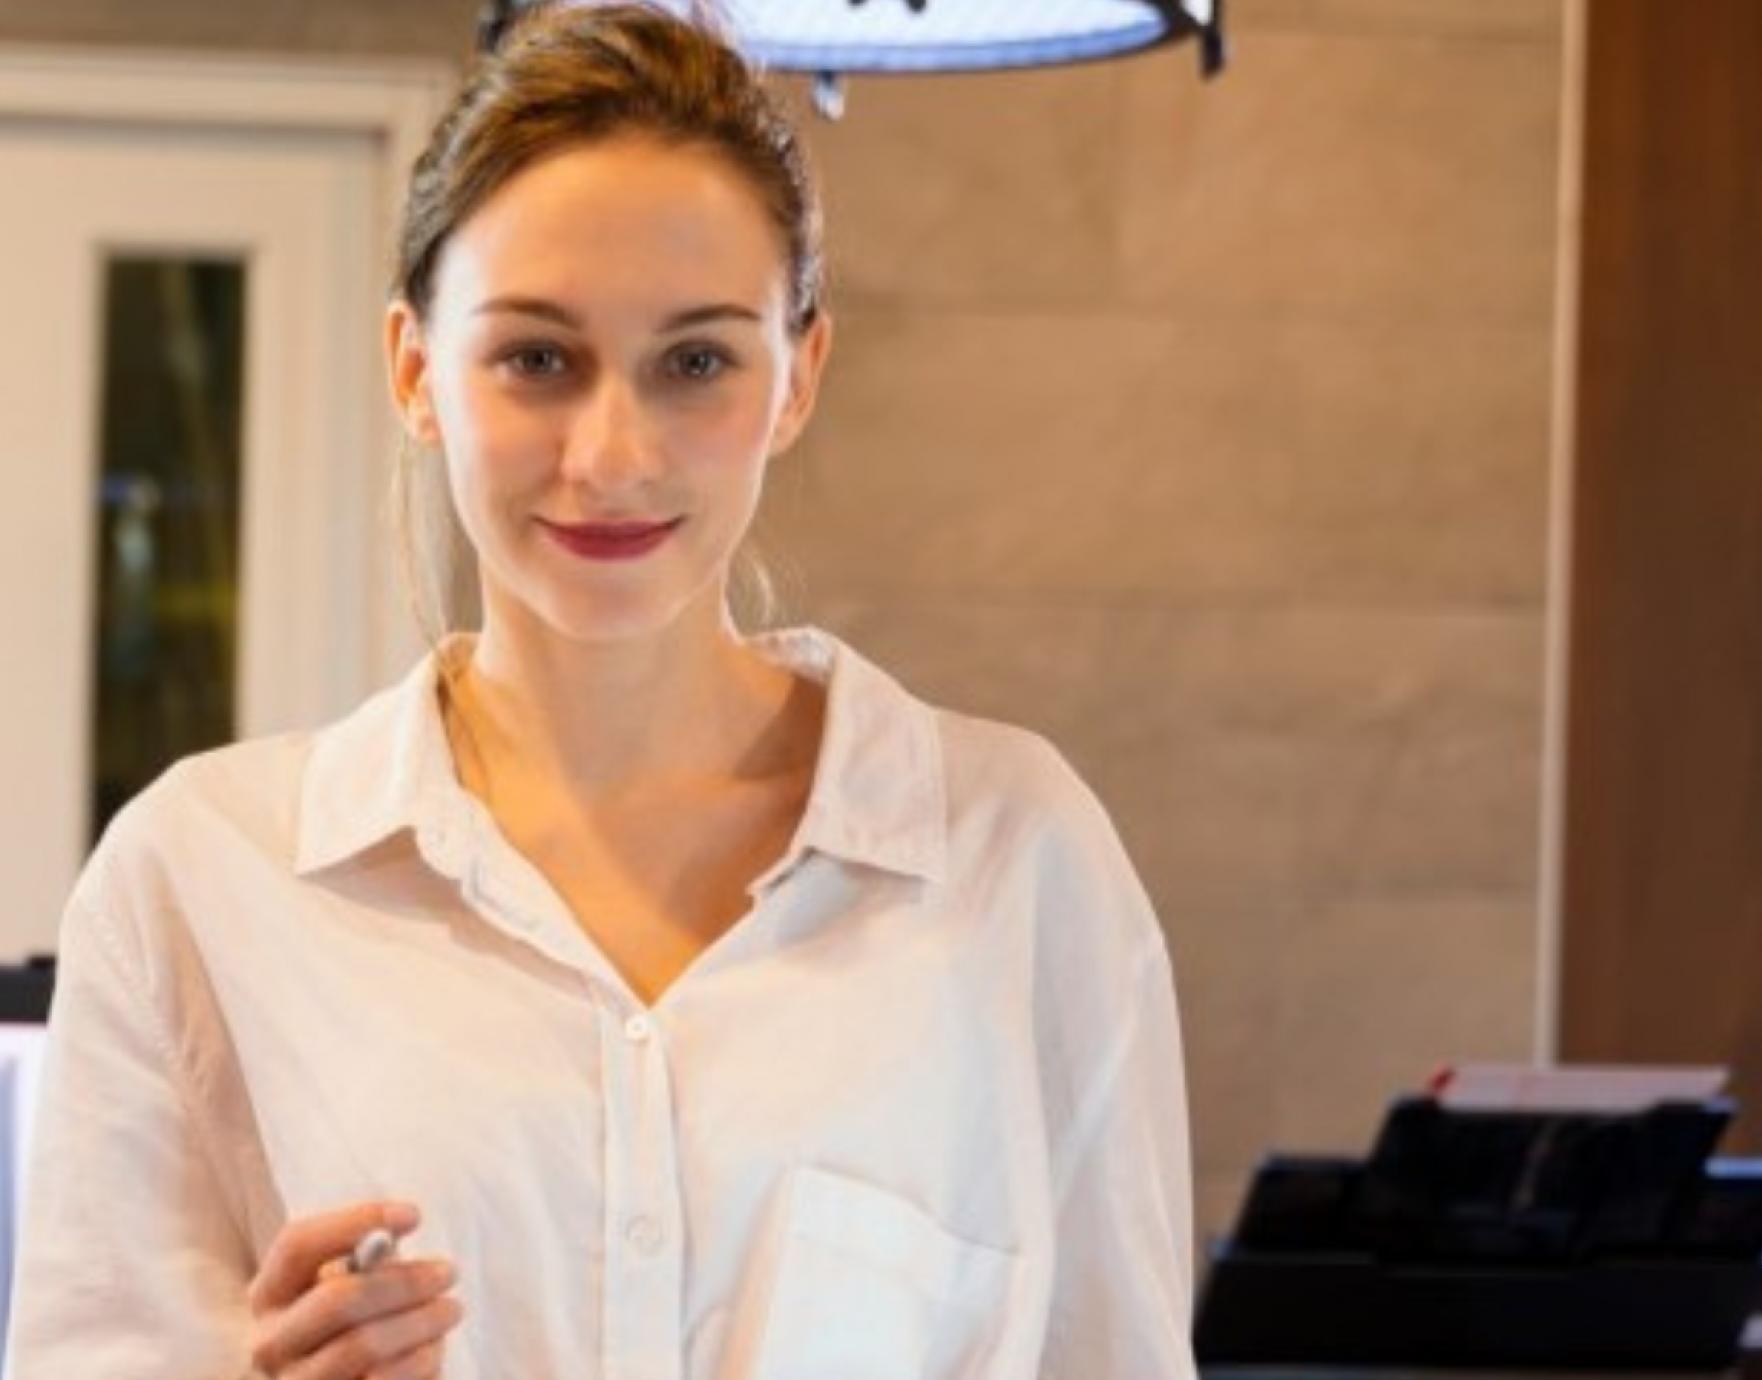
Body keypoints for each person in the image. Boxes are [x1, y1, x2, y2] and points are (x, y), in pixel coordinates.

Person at [3, 4, 1198, 1379]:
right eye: (536, 358)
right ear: (416, 370)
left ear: (798, 374)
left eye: (696, 361)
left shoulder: (1015, 858)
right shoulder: (197, 880)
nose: (613, 455)